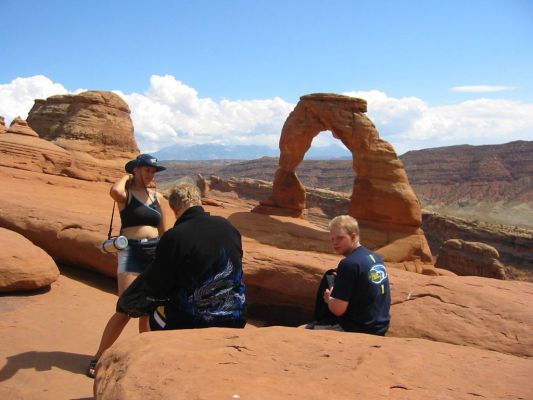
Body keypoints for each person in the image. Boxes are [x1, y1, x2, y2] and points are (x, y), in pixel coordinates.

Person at [117, 182, 246, 331]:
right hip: (235, 317)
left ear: (174, 208)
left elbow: (157, 281)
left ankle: (152, 350)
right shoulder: (228, 227)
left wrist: (129, 302)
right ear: (199, 201)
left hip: (193, 321)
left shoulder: (175, 236)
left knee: (154, 310)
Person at [87, 154, 167, 378]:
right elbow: (114, 192)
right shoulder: (126, 195)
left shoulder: (157, 197)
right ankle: (99, 356)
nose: (150, 174)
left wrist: (166, 255)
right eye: (146, 170)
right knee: (126, 308)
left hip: (153, 251)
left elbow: (163, 230)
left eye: (153, 171)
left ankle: (143, 356)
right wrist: (127, 175)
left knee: (149, 309)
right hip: (130, 251)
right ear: (137, 170)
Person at [305, 215, 391, 335]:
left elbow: (338, 310)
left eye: (340, 238)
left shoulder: (348, 264)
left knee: (301, 331)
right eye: (332, 239)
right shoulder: (375, 257)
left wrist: (329, 299)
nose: (335, 243)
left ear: (353, 236)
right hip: (380, 325)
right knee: (330, 275)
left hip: (358, 329)